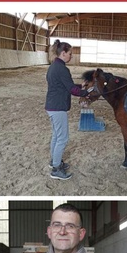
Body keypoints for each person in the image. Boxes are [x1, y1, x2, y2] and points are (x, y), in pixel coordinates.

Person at [45, 39, 93, 180]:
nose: (71, 56)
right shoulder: (62, 69)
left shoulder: (54, 66)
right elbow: (71, 89)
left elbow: (67, 85)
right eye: (70, 53)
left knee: (56, 135)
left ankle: (54, 161)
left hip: (52, 105)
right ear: (63, 53)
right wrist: (86, 92)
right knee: (63, 138)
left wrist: (80, 85)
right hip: (58, 106)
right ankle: (56, 169)